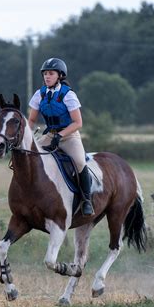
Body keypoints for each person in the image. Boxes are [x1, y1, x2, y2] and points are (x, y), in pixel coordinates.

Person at [28, 57, 94, 216]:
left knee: (79, 162)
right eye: (45, 74)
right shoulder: (40, 94)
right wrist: (26, 137)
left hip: (69, 135)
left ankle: (87, 200)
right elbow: (31, 120)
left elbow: (78, 123)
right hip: (50, 135)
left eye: (51, 73)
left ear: (60, 76)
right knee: (30, 157)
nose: (47, 77)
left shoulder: (68, 95)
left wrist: (61, 135)